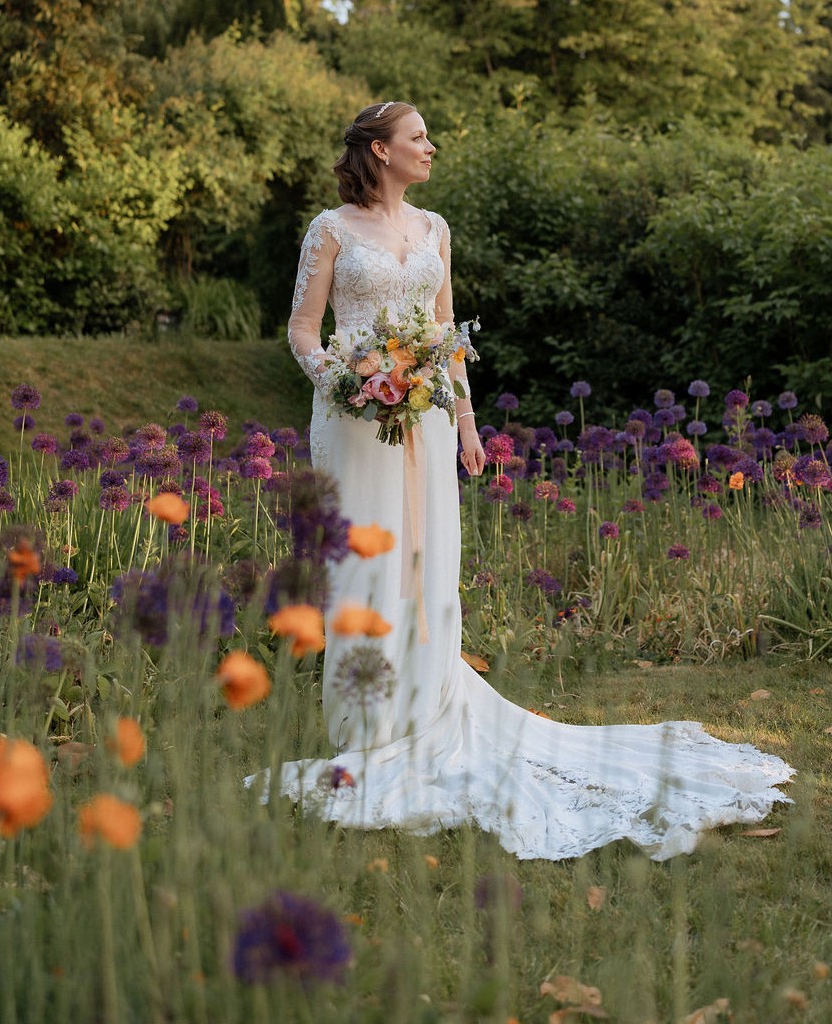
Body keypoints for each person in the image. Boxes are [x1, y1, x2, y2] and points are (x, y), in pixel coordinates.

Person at [252, 101, 794, 861]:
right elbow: (303, 330)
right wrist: (346, 381)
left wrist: (467, 425)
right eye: (417, 138)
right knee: (364, 561)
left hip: (429, 416)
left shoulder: (437, 230)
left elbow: (445, 341)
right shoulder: (331, 230)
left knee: (428, 559)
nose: (430, 147)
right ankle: (368, 728)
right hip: (356, 422)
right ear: (379, 151)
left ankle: (429, 708)